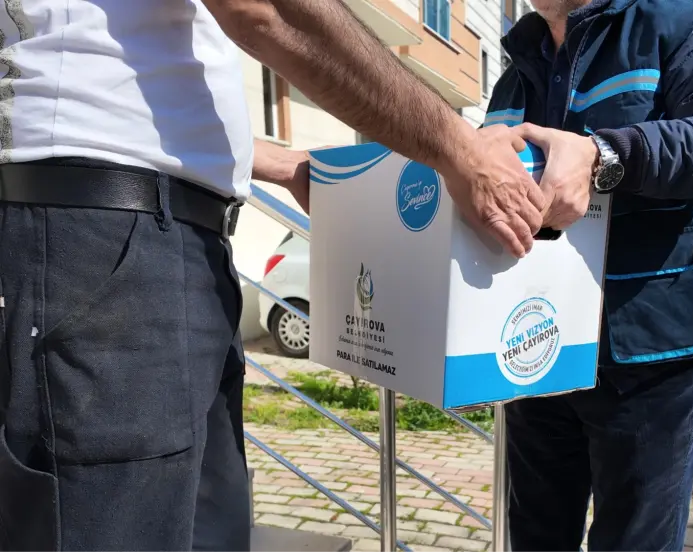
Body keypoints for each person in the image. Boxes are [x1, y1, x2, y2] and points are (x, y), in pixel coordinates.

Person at [0, 1, 546, 551]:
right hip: (108, 235)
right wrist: (460, 148)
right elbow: (268, 11)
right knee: (116, 525)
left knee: (207, 528)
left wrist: (280, 164)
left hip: (151, 240)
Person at [490, 0, 693, 550]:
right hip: (532, 345)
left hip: (647, 356)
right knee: (534, 534)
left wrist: (606, 156)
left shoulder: (677, 20)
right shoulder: (518, 63)